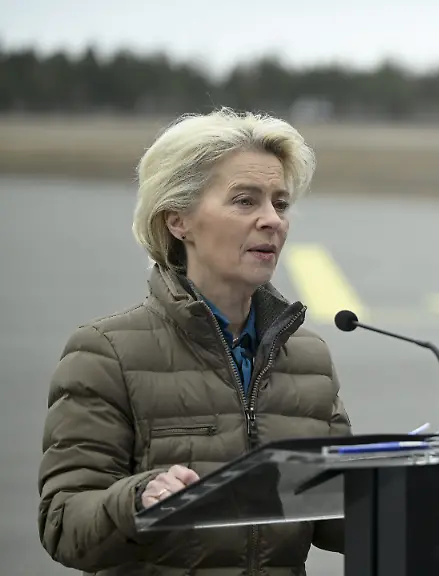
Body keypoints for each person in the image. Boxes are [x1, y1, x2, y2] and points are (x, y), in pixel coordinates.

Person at [37, 107, 353, 575]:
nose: (273, 221)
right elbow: (63, 526)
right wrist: (139, 499)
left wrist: (421, 495)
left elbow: (332, 521)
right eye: (245, 201)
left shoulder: (309, 358)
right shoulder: (105, 353)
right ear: (177, 221)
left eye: (280, 203)